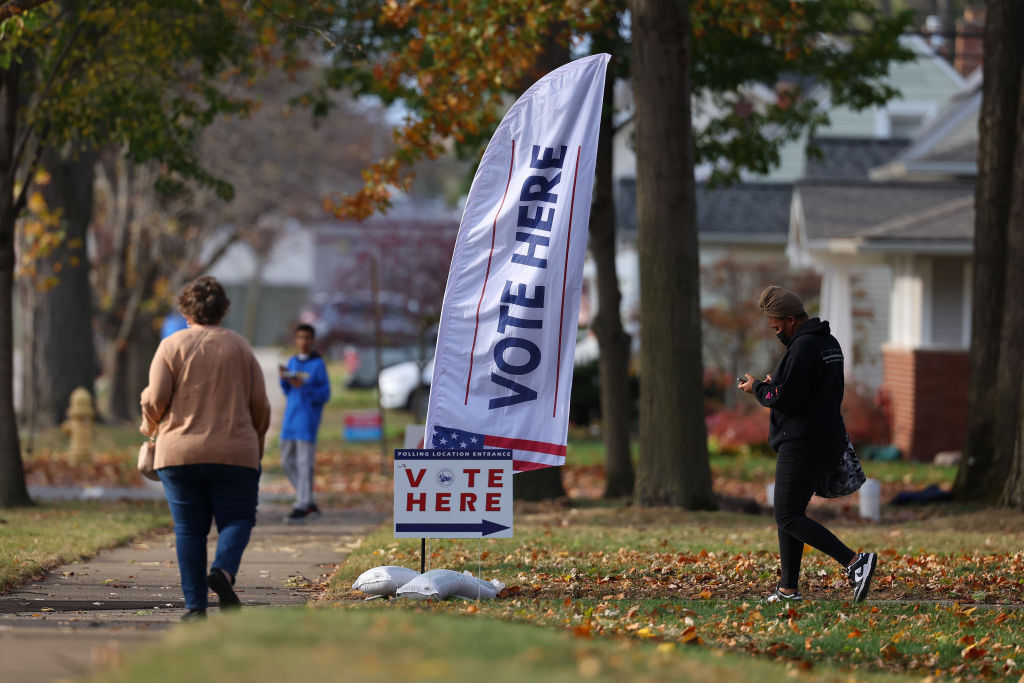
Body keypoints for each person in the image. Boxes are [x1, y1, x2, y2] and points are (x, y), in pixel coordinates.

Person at [140, 276, 271, 621]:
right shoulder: (240, 347)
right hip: (235, 452)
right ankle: (224, 571)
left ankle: (195, 606)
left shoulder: (171, 346)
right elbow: (260, 405)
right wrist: (255, 442)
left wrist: (150, 426)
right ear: (223, 310)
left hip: (178, 453)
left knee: (189, 530)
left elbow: (155, 399)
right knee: (239, 518)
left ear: (186, 310)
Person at [738, 285, 877, 603]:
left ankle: (855, 562)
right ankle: (788, 589)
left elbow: (784, 399)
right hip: (826, 437)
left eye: (776, 327)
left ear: (789, 320)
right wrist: (779, 383)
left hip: (802, 443)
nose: (776, 333)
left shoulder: (802, 348)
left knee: (786, 515)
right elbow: (810, 390)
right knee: (792, 512)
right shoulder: (829, 343)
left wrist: (758, 388)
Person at [279, 323, 331, 523]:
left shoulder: (318, 364)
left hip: (307, 421)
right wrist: (285, 379)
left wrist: (305, 387)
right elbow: (288, 390)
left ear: (312, 340)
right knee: (287, 462)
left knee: (304, 464)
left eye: (307, 338)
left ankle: (302, 504)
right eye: (300, 337)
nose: (303, 341)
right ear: (296, 340)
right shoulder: (292, 361)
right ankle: (307, 500)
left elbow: (324, 394)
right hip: (290, 420)